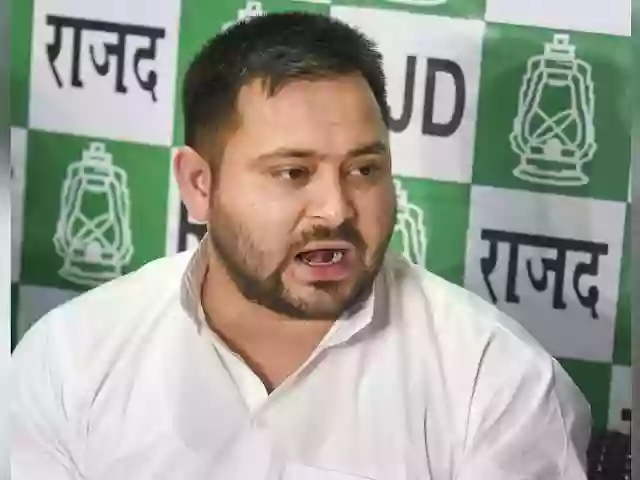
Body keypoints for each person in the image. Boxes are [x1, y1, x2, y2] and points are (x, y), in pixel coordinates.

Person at [11, 11, 591, 480]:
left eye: (364, 170)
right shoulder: (71, 361)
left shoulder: (497, 383)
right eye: (292, 173)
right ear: (199, 184)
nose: (336, 210)